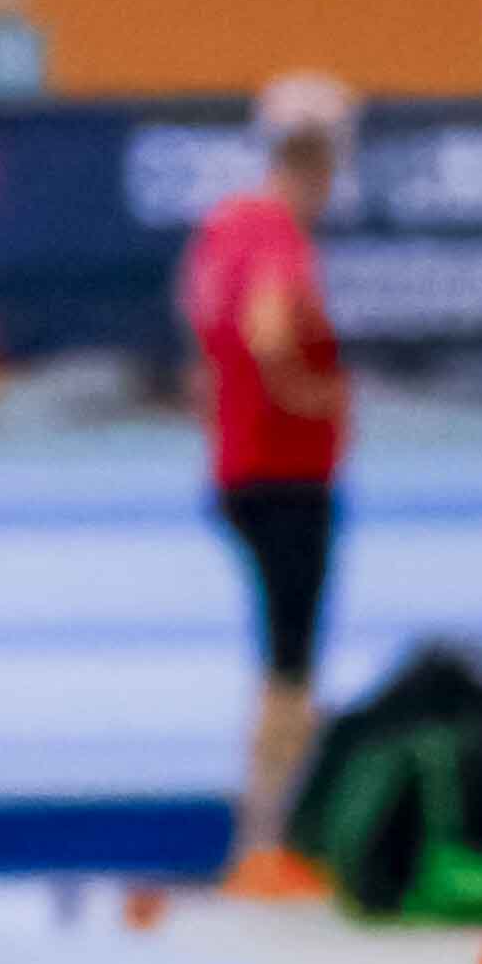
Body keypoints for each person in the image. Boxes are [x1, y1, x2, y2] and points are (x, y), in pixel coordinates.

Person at [178, 71, 355, 898]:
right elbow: (268, 329)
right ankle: (264, 840)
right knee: (290, 668)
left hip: (238, 467)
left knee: (281, 661)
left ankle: (267, 835)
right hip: (286, 475)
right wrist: (308, 396)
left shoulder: (225, 227)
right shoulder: (281, 236)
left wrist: (226, 411)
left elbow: (202, 334)